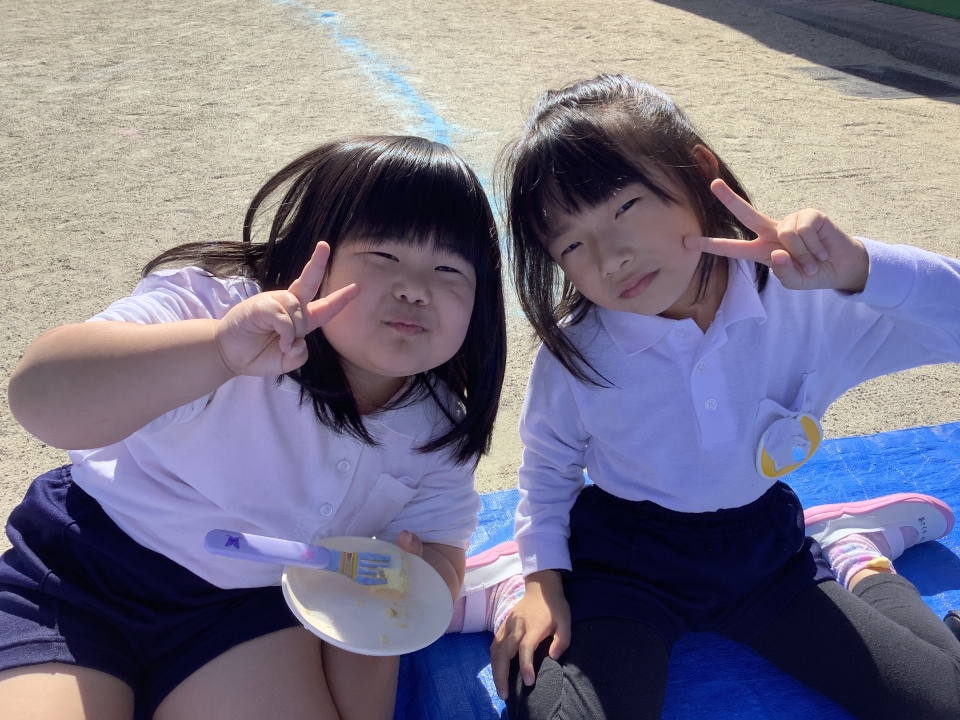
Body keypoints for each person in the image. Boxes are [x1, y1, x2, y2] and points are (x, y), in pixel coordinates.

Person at [488, 74, 960, 720]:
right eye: (571, 243)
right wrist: (542, 583)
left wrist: (861, 269)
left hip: (766, 558)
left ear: (700, 172)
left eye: (625, 206)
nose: (610, 256)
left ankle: (861, 561)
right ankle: (501, 589)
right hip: (627, 561)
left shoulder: (805, 301)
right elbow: (547, 471)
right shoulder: (578, 351)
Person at [0, 136, 507, 720]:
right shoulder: (219, 311)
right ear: (312, 255)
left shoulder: (438, 426)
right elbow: (38, 395)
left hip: (246, 616)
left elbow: (440, 545)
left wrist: (412, 582)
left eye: (448, 269)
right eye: (383, 255)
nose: (415, 288)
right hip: (84, 570)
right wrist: (217, 352)